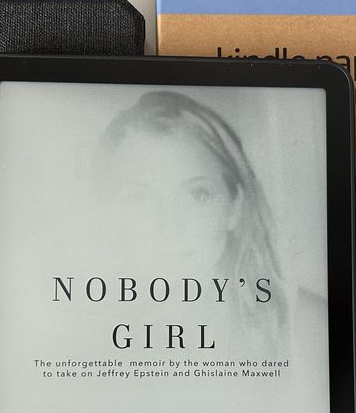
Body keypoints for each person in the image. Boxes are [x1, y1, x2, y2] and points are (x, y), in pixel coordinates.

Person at [91, 90, 290, 353]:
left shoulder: (301, 330)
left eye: (197, 195)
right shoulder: (77, 336)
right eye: (138, 197)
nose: (169, 228)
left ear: (234, 207)